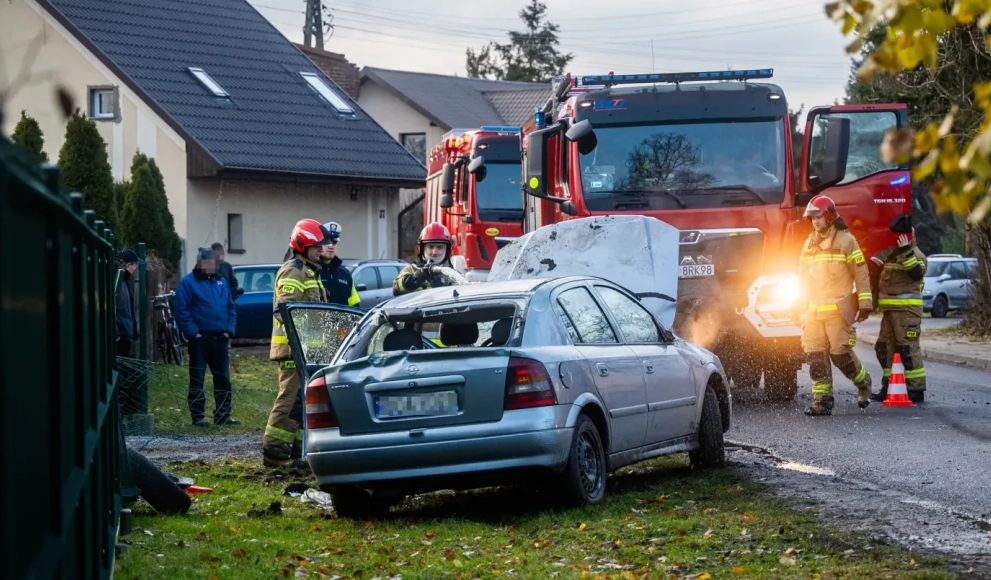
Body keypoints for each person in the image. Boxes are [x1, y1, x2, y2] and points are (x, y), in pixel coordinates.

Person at [793, 195, 874, 416]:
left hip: (838, 311)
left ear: (828, 215)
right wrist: (796, 304)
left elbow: (861, 272)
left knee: (840, 355)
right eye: (812, 218)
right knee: (816, 357)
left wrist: (865, 303)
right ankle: (822, 402)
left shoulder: (847, 241)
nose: (815, 222)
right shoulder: (809, 244)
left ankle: (864, 383)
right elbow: (801, 277)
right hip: (813, 312)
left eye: (818, 217)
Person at [263, 219, 331, 468]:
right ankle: (274, 453)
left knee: (302, 403)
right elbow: (286, 310)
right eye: (316, 246)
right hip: (293, 349)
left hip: (306, 350)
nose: (321, 250)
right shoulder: (294, 270)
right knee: (289, 400)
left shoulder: (311, 270)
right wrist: (295, 341)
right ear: (303, 245)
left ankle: (296, 453)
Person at [174, 247, 239, 427]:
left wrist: (228, 330)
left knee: (223, 378)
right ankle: (198, 416)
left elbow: (230, 307)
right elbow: (181, 310)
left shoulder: (221, 282)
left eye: (214, 262)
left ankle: (223, 414)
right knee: (197, 378)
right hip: (200, 339)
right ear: (201, 263)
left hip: (220, 337)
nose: (213, 266)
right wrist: (193, 333)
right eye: (209, 262)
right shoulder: (188, 282)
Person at [870, 227, 927, 403]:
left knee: (907, 350)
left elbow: (916, 274)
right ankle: (888, 386)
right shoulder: (890, 254)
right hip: (889, 312)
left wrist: (905, 251)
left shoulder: (917, 255)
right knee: (884, 348)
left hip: (907, 312)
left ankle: (916, 390)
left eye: (905, 234)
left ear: (912, 236)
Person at [393, 222, 456, 296]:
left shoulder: (452, 274)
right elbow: (397, 287)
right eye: (431, 247)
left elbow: (463, 293)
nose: (435, 252)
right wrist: (416, 277)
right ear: (422, 248)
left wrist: (446, 285)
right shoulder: (411, 269)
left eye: (439, 247)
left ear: (447, 249)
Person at [116, 249, 140, 414]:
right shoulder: (118, 282)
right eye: (134, 266)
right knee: (122, 374)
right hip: (120, 336)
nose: (135, 270)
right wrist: (118, 332)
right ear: (128, 265)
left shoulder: (123, 282)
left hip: (124, 333)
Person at [318, 221, 360, 307]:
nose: (331, 246)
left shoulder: (345, 274)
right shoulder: (310, 271)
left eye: (334, 242)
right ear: (319, 243)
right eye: (327, 242)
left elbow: (355, 306)